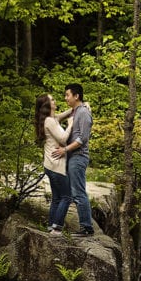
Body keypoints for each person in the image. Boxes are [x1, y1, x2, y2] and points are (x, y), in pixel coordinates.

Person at [51, 83, 94, 237]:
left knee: (78, 192)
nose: (65, 98)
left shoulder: (83, 113)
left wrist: (65, 150)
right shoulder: (76, 112)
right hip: (72, 158)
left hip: (78, 157)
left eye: (67, 95)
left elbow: (82, 138)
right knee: (72, 192)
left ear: (76, 96)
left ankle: (87, 228)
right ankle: (83, 226)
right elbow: (57, 119)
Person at [35, 93, 73, 233]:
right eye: (52, 100)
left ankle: (51, 226)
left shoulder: (52, 119)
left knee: (57, 198)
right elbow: (63, 139)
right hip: (56, 165)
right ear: (46, 105)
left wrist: (79, 106)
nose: (55, 101)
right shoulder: (50, 121)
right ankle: (57, 229)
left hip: (50, 165)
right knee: (67, 197)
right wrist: (71, 124)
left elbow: (64, 114)